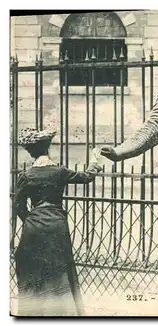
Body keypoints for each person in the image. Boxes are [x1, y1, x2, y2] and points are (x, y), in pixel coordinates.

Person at [12, 127, 103, 316]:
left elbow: (18, 206)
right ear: (47, 148)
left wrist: (31, 219)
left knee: (34, 267)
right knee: (59, 268)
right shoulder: (59, 171)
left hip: (33, 227)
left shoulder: (26, 175)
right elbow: (87, 177)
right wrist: (95, 159)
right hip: (56, 225)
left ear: (31, 152)